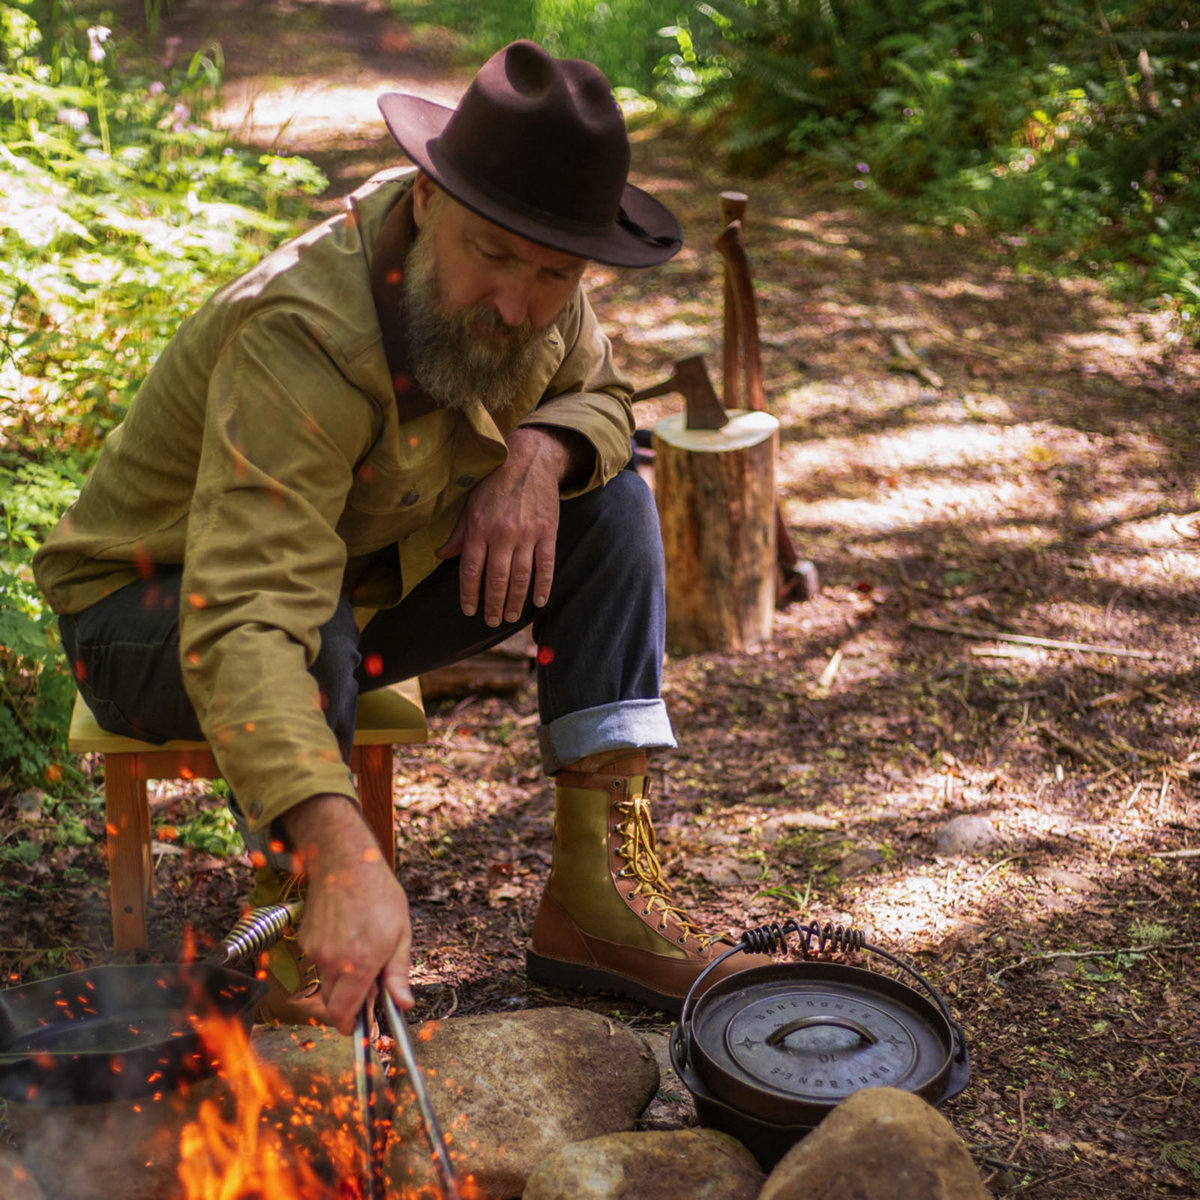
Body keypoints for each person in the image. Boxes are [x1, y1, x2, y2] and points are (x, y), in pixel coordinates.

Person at [33, 40, 767, 1036]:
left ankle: (597, 901)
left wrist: (542, 450)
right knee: (311, 622)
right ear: (426, 204)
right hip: (148, 614)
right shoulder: (304, 331)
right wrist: (343, 853)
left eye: (553, 273)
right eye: (492, 256)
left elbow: (597, 395)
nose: (514, 302)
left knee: (609, 502)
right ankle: (301, 929)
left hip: (346, 591)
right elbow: (251, 608)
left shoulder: (537, 272)